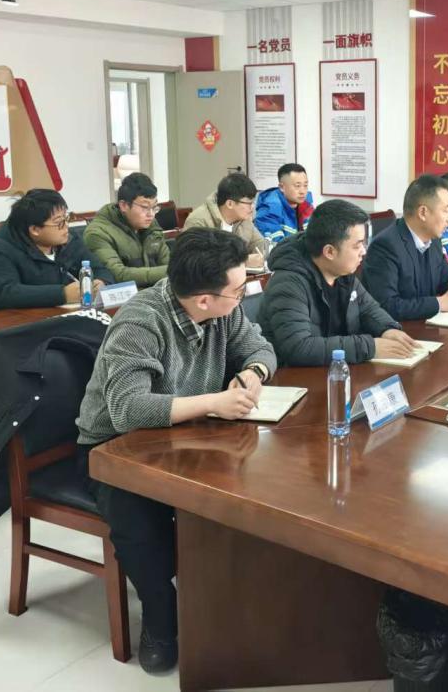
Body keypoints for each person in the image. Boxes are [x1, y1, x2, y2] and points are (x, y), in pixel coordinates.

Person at [76, 228, 277, 675]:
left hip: (187, 433)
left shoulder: (223, 309)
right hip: (113, 449)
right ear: (203, 299)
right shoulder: (140, 321)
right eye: (237, 291)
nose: (241, 297)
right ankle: (160, 613)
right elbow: (127, 410)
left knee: (247, 487)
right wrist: (213, 402)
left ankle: (220, 595)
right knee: (137, 518)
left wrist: (254, 373)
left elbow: (260, 346)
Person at [259, 199, 419, 365]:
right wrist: (368, 347)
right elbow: (299, 348)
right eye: (357, 246)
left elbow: (369, 309)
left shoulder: (342, 274)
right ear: (329, 251)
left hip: (335, 370)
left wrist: (388, 329)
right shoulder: (289, 283)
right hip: (294, 376)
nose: (363, 252)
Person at [362, 174, 448, 321]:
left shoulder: (434, 241)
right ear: (423, 213)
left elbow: (447, 278)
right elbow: (387, 306)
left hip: (426, 327)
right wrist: (440, 303)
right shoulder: (385, 246)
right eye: (445, 210)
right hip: (397, 331)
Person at [0, 189, 113, 311]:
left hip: (71, 313)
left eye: (66, 218)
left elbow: (100, 269)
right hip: (26, 320)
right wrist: (63, 294)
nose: (66, 226)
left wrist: (101, 282)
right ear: (35, 230)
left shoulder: (70, 239)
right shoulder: (3, 249)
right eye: (59, 222)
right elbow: (4, 293)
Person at [83, 172, 171, 287]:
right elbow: (118, 275)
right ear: (123, 205)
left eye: (154, 207)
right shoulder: (97, 233)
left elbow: (168, 262)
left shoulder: (151, 225)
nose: (151, 214)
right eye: (145, 207)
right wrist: (173, 271)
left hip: (155, 293)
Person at [183, 172, 267, 268]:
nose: (252, 208)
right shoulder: (199, 221)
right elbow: (194, 262)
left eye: (253, 203)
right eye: (249, 203)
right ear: (230, 204)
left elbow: (261, 245)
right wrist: (242, 261)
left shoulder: (244, 220)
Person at [254, 162, 313, 244]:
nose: (302, 191)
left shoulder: (306, 203)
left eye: (305, 185)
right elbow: (278, 246)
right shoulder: (269, 209)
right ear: (282, 187)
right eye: (297, 186)